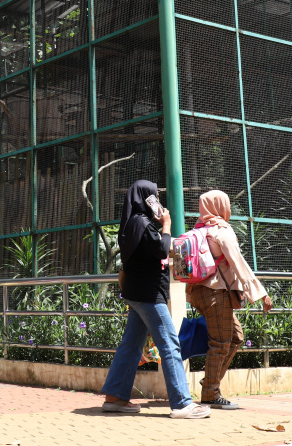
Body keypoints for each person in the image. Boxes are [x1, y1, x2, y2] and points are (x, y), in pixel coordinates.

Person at [101, 180, 210, 419]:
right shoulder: (143, 224)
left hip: (136, 293)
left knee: (131, 346)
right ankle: (182, 403)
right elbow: (162, 249)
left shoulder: (131, 224)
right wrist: (167, 224)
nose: (157, 201)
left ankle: (114, 397)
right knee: (170, 344)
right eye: (154, 196)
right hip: (149, 295)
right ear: (144, 198)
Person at [186, 190, 272, 410]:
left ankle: (211, 381)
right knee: (221, 342)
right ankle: (211, 393)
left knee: (235, 336)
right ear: (220, 206)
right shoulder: (221, 231)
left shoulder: (199, 229)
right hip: (215, 293)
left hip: (198, 293)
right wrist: (260, 293)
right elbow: (238, 262)